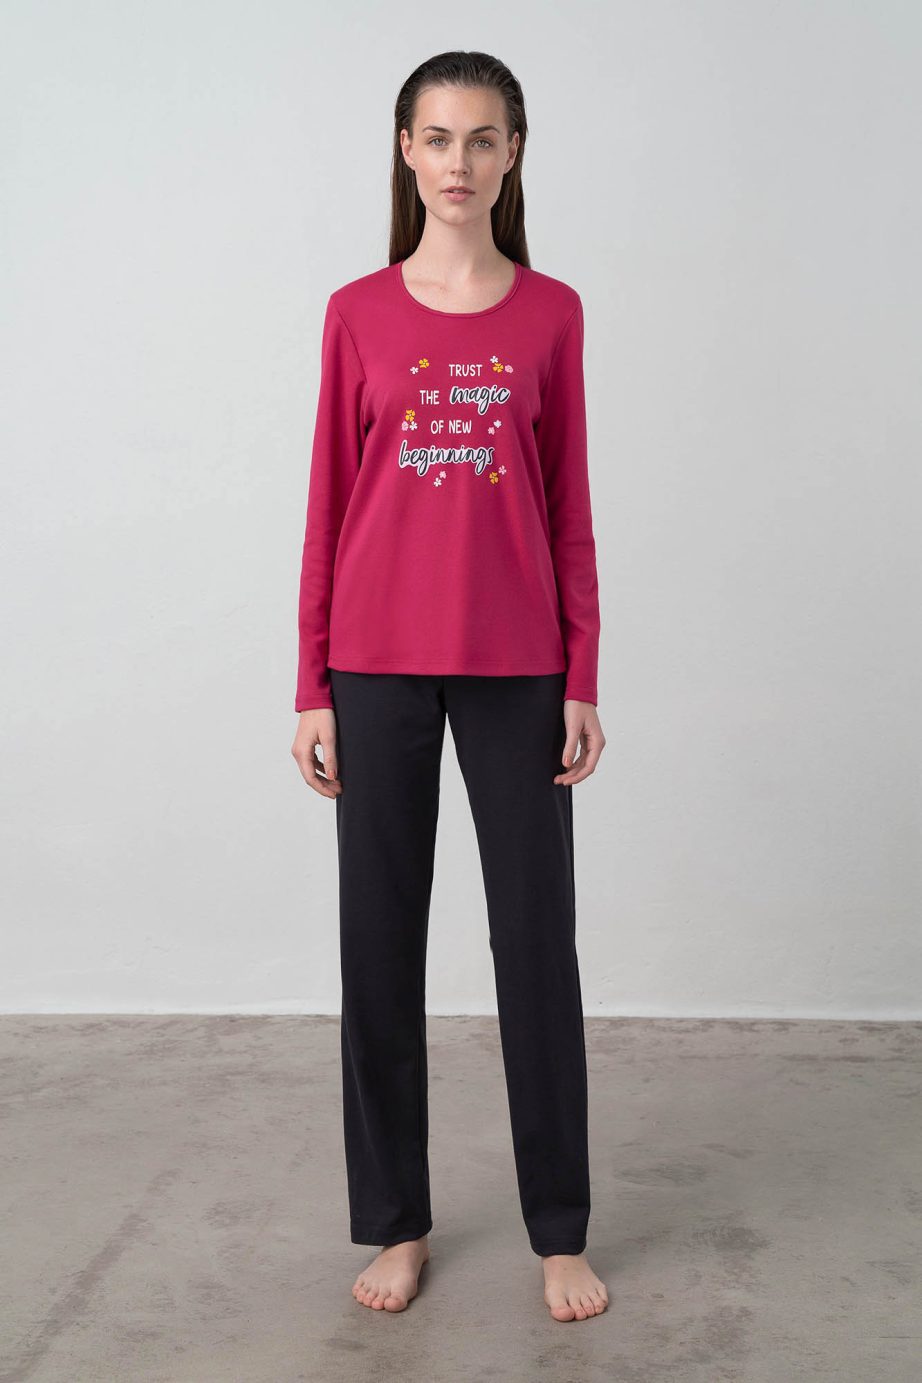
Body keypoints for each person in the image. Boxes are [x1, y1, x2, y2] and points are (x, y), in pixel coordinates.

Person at [291, 50, 608, 1324]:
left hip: (519, 668)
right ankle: (396, 1222)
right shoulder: (356, 313)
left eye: (482, 139)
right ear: (405, 152)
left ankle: (559, 1229)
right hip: (371, 667)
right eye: (437, 138)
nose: (459, 162)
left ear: (512, 152)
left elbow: (569, 506)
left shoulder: (553, 314)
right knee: (378, 945)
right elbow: (326, 504)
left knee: (535, 945)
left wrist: (582, 670)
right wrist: (310, 684)